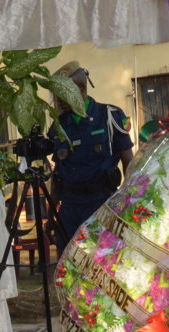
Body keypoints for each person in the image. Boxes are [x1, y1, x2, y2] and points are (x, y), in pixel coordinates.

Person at [48, 60, 134, 250]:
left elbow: (130, 163)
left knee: (102, 260)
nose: (58, 100)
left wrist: (130, 202)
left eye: (63, 94)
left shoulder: (109, 116)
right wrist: (51, 214)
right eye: (56, 96)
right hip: (69, 210)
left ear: (81, 88)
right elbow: (58, 173)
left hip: (101, 205)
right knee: (67, 263)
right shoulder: (58, 126)